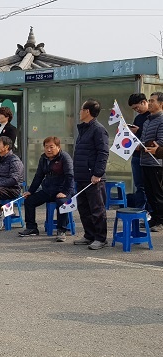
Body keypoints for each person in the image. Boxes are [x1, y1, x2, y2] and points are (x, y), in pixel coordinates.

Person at [19, 136, 74, 241]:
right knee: (29, 201)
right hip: (48, 190)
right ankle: (31, 228)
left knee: (62, 203)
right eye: (46, 147)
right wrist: (30, 191)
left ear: (58, 147)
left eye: (51, 147)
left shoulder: (64, 157)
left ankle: (61, 230)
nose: (48, 150)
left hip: (63, 191)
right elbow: (38, 176)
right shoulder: (43, 158)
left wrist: (65, 192)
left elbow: (70, 176)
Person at [73, 99, 109, 250]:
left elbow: (103, 152)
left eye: (81, 109)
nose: (79, 112)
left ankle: (100, 238)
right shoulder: (84, 129)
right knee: (84, 208)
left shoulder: (98, 129)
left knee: (96, 209)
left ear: (87, 111)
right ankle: (89, 235)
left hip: (93, 178)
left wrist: (97, 173)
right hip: (82, 176)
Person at [140, 92, 163, 231]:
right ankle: (154, 218)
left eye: (152, 101)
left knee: (158, 193)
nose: (149, 103)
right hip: (145, 161)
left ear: (161, 104)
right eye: (149, 100)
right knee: (149, 193)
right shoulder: (147, 120)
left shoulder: (161, 120)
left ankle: (160, 220)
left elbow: (159, 143)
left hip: (156, 163)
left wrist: (143, 145)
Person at [127, 94, 150, 211]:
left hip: (148, 156)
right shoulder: (138, 118)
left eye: (137, 107)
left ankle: (150, 212)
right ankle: (139, 210)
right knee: (139, 186)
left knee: (149, 186)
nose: (137, 110)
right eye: (134, 109)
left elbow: (152, 136)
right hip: (136, 155)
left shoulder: (152, 117)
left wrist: (139, 130)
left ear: (144, 102)